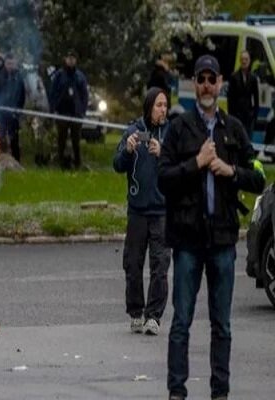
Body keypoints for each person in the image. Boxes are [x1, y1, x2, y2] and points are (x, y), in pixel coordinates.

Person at [158, 55, 265, 400]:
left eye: (211, 79)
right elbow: (163, 179)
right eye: (200, 79)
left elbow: (259, 178)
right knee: (181, 323)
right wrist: (197, 163)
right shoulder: (178, 128)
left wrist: (229, 170)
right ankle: (177, 391)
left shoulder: (233, 128)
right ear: (194, 83)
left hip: (222, 240)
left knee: (222, 325)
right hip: (188, 241)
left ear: (220, 84)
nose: (206, 85)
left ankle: (220, 392)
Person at [113, 87, 170, 336]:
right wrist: (127, 150)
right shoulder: (132, 131)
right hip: (137, 210)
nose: (163, 110)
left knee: (160, 265)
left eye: (165, 105)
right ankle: (136, 312)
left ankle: (154, 316)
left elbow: (182, 165)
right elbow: (117, 165)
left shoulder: (170, 133)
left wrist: (163, 153)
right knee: (133, 265)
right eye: (159, 105)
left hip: (161, 212)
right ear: (149, 107)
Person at [49, 50, 88, 169]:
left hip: (76, 113)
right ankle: (61, 162)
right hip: (62, 112)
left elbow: (84, 95)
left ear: (75, 60)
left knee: (76, 140)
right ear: (65, 59)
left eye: (73, 58)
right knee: (62, 139)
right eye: (68, 58)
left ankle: (77, 163)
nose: (70, 60)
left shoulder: (80, 77)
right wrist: (53, 109)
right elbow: (53, 93)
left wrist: (82, 111)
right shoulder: (59, 75)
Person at [0, 53, 25, 161]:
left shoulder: (19, 77)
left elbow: (22, 95)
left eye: (12, 63)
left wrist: (18, 111)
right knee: (1, 137)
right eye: (8, 63)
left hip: (14, 114)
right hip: (1, 114)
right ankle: (1, 160)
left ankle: (16, 162)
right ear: (5, 63)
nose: (10, 66)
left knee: (15, 139)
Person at [227, 50, 259, 138]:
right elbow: (230, 98)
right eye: (242, 59)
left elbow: (256, 98)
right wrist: (231, 115)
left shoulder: (253, 78)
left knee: (247, 140)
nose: (244, 61)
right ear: (240, 61)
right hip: (237, 115)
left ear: (249, 61)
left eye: (246, 59)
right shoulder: (234, 77)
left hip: (249, 116)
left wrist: (254, 115)